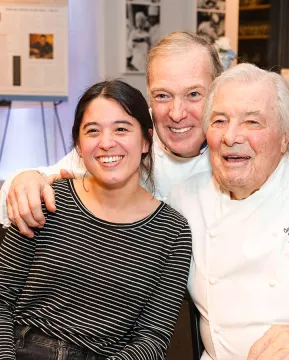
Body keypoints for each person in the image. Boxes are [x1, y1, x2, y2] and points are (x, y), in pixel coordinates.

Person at [1, 31, 289, 237]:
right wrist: (26, 179)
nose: (176, 113)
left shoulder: (247, 144)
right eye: (162, 96)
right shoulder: (130, 149)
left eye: (193, 95)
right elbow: (41, 182)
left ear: (217, 91)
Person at [168, 63, 289, 360]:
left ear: (286, 138)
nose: (231, 136)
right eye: (219, 121)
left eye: (252, 123)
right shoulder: (185, 198)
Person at [0, 79, 192, 359]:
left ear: (147, 140)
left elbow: (152, 339)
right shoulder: (47, 199)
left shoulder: (172, 231)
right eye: (92, 131)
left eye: (121, 129)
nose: (106, 143)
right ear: (79, 144)